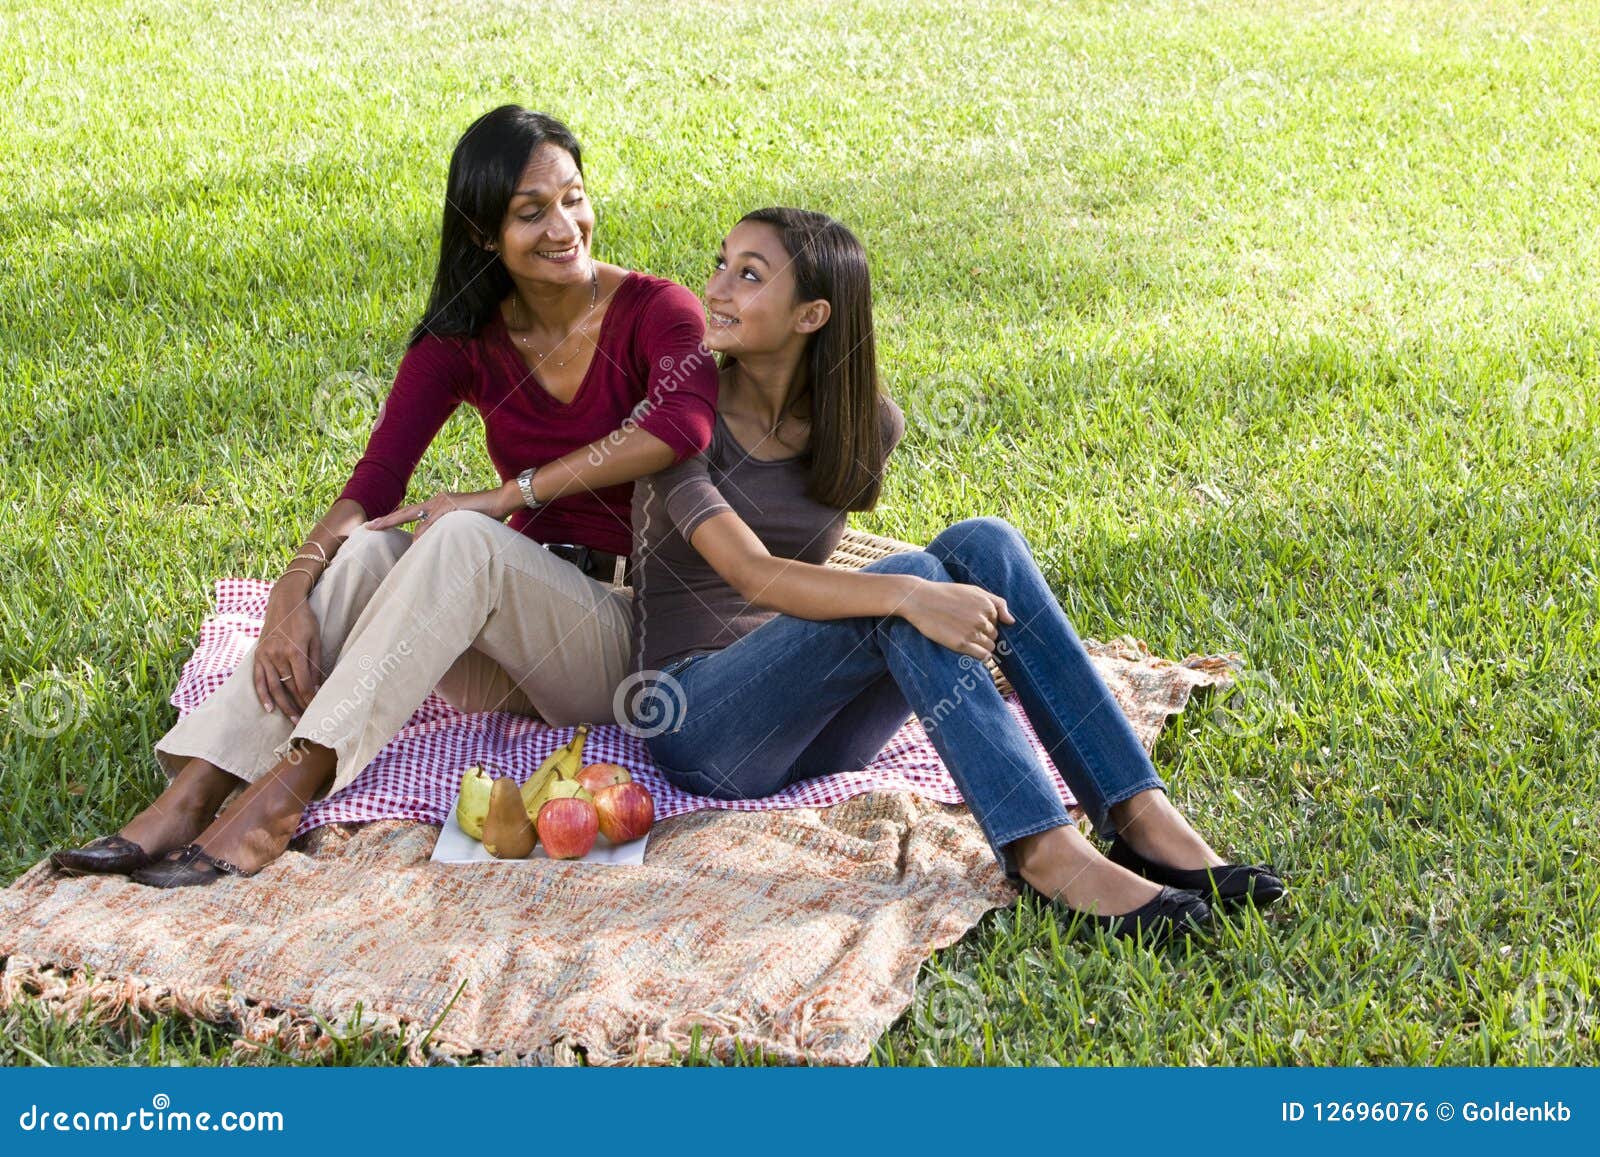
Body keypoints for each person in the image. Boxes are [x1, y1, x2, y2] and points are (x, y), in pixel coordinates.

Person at [51, 106, 719, 887]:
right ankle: (195, 789)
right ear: (481, 235)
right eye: (529, 212)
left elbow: (684, 426)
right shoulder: (461, 339)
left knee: (463, 538)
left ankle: (285, 791)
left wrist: (507, 495)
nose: (564, 225)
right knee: (369, 547)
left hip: (622, 637)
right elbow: (373, 485)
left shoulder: (657, 310)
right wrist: (289, 593)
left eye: (573, 197)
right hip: (512, 654)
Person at [627, 207, 1283, 944]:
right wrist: (908, 590)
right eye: (719, 263)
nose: (714, 289)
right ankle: (1046, 851)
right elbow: (750, 572)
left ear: (813, 314)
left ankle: (1137, 815)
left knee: (984, 542)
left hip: (820, 732)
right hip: (698, 720)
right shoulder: (679, 416)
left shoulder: (865, 425)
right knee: (910, 577)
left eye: (747, 274)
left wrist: (922, 595)